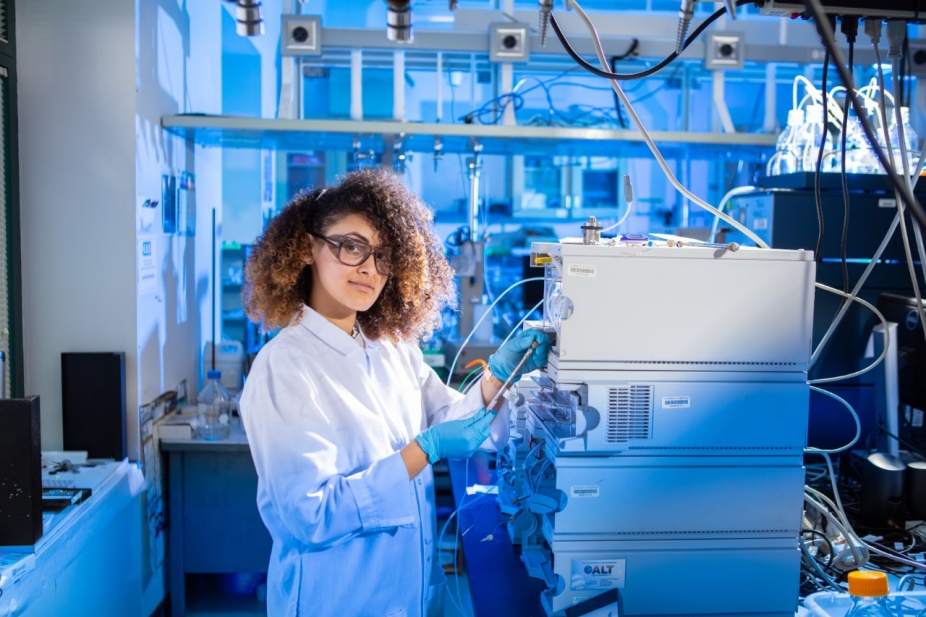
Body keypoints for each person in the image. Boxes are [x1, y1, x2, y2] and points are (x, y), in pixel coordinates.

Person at [238, 168, 552, 617]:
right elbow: (311, 516)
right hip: (339, 600)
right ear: (308, 248)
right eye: (351, 246)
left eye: (383, 255)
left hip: (413, 595)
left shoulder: (390, 347)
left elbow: (452, 421)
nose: (369, 268)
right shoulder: (284, 366)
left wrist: (499, 375)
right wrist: (424, 450)